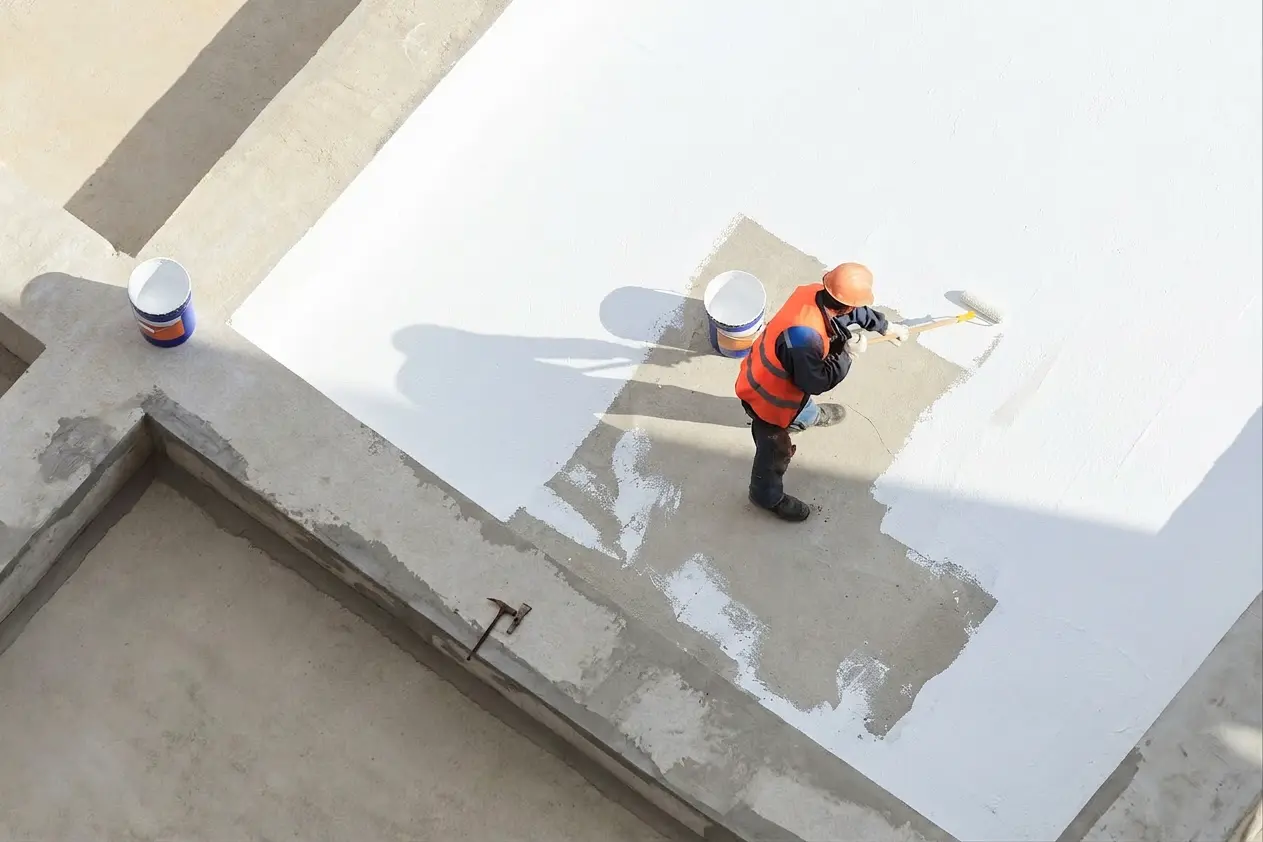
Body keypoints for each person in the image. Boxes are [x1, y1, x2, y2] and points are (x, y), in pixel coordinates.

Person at [734, 263, 909, 522]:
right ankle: (765, 496)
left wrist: (883, 326)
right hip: (768, 399)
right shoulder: (803, 337)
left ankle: (807, 416)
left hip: (779, 379)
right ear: (844, 303)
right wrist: (847, 356)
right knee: (774, 449)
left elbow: (853, 312)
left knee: (801, 405)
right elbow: (816, 382)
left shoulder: (815, 293)